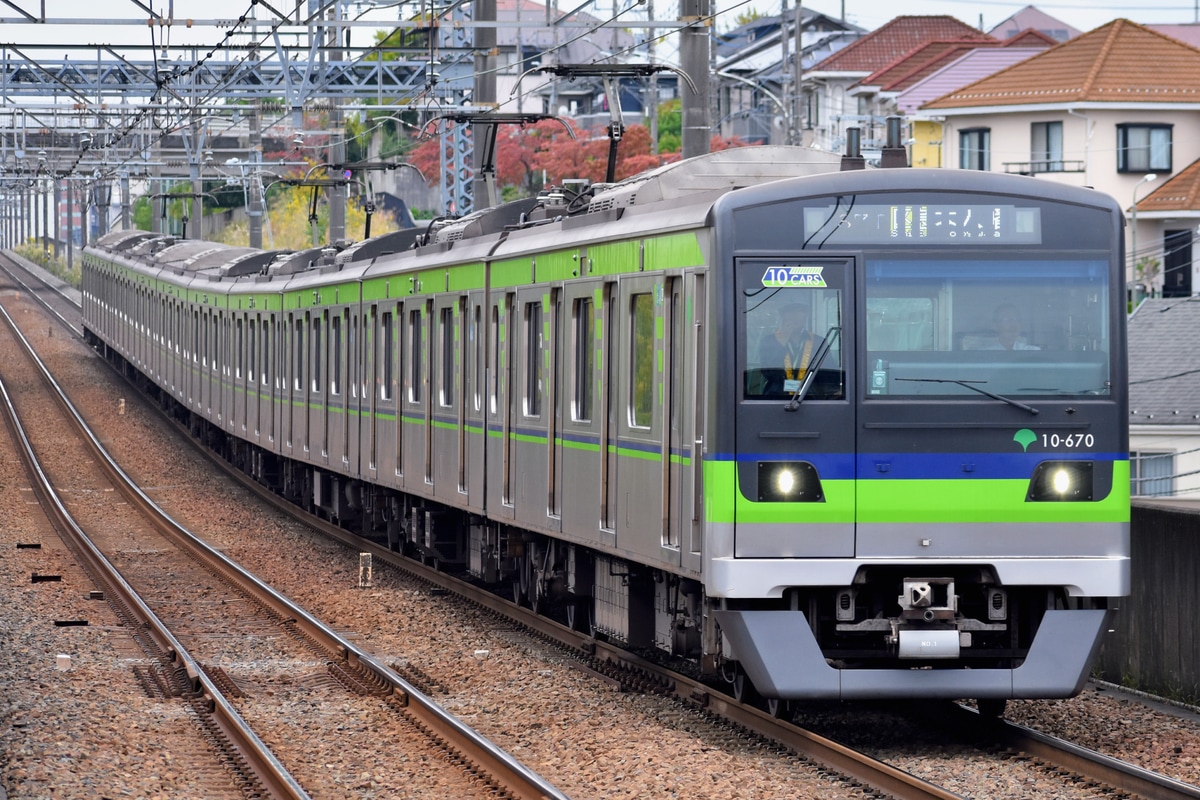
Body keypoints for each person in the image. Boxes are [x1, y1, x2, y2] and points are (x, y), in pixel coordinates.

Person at [755, 302, 819, 394]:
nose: (795, 316)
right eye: (790, 311)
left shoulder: (818, 341)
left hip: (810, 398)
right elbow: (768, 373)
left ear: (806, 315)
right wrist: (782, 343)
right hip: (775, 398)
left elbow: (830, 378)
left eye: (799, 311)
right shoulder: (769, 340)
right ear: (782, 315)